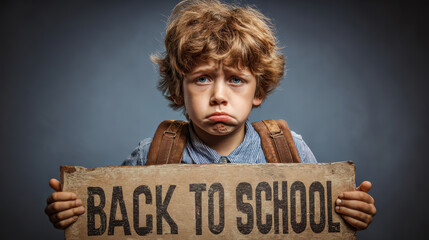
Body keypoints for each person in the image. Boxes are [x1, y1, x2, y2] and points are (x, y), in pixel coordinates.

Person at [45, 0, 376, 232]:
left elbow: (318, 221)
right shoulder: (153, 154)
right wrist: (77, 212)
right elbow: (116, 221)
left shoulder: (290, 151)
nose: (219, 95)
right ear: (178, 90)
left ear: (258, 91)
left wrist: (349, 213)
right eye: (202, 79)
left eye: (236, 80)